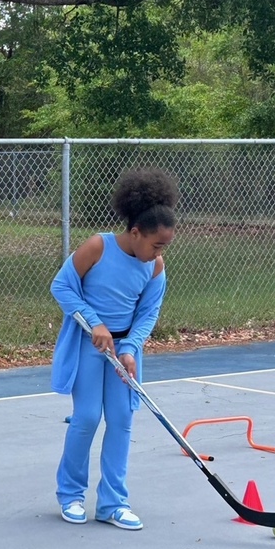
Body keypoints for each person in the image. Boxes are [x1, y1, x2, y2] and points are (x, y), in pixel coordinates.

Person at [50, 167, 177, 529]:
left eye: (165, 247)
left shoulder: (155, 267)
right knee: (87, 417)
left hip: (124, 350)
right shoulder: (98, 246)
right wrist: (96, 324)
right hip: (89, 344)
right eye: (155, 244)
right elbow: (62, 287)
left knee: (121, 420)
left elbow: (148, 313)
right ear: (135, 232)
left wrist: (130, 347)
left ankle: (113, 503)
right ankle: (71, 495)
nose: (158, 253)